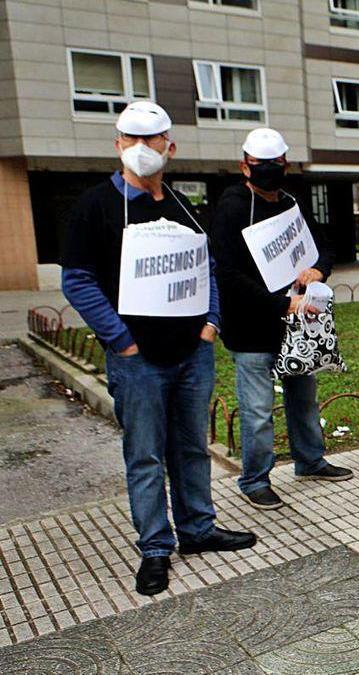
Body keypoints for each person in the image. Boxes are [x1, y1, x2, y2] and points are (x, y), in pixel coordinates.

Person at [60, 101, 256, 596]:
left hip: (192, 354)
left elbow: (206, 267)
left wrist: (211, 322)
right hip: (138, 361)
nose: (143, 149)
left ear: (171, 145)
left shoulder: (184, 204)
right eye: (133, 139)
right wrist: (121, 342)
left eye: (154, 140)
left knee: (191, 447)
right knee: (145, 455)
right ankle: (154, 547)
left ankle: (198, 529)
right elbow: (78, 281)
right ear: (117, 144)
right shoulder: (95, 206)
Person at [210, 128, 350, 511]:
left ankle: (310, 461)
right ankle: (254, 479)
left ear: (285, 165)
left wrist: (319, 270)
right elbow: (228, 273)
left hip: (297, 325)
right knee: (256, 412)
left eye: (276, 164)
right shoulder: (231, 207)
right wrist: (278, 305)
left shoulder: (292, 202)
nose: (270, 170)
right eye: (261, 165)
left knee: (303, 400)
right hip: (251, 329)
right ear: (245, 166)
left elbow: (324, 245)